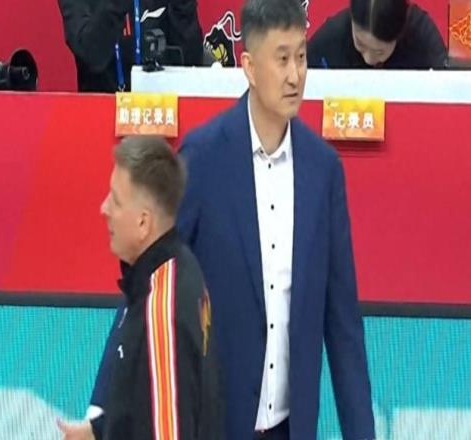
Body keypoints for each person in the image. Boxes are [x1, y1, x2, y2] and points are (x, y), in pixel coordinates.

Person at [177, 0, 376, 438]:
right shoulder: (202, 157)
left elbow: (342, 323)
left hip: (291, 427)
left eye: (301, 57)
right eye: (282, 59)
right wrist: (103, 415)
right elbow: (153, 287)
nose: (295, 75)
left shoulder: (322, 170)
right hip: (215, 424)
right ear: (249, 66)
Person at [57, 136, 224, 440]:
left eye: (116, 200)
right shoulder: (176, 269)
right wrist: (99, 431)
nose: (104, 208)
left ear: (143, 223)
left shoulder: (161, 310)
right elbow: (148, 400)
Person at [58, 0, 204, 92]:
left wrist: (183, 6)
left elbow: (191, 61)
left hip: (162, 112)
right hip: (101, 113)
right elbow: (90, 54)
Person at [307, 0, 447, 69]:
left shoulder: (421, 35)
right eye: (360, 44)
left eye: (379, 52)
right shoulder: (333, 36)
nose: (369, 59)